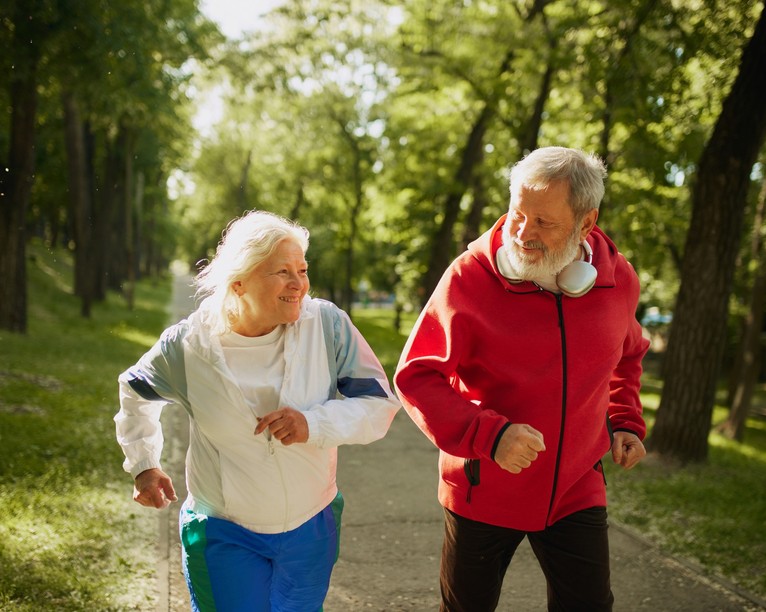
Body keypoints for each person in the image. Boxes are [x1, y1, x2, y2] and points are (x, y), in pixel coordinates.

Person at [394, 146, 650, 612]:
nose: (523, 233)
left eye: (544, 223)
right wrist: (489, 436)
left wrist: (626, 420)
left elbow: (628, 354)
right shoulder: (468, 279)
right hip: (483, 486)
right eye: (517, 215)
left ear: (586, 223)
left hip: (577, 486)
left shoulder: (619, 282)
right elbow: (417, 376)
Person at [114, 210, 401, 611]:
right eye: (282, 272)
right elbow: (135, 390)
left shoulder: (327, 326)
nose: (298, 284)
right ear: (239, 283)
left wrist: (312, 424)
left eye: (302, 269)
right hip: (223, 530)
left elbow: (379, 406)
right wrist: (144, 463)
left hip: (311, 524)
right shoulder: (188, 346)